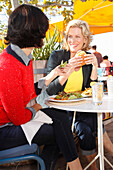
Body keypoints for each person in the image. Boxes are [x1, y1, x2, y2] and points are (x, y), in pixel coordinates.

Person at [0, 5, 83, 170]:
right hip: (4, 130)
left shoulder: (24, 56)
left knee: (60, 118)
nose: (45, 33)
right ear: (34, 31)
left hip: (14, 121)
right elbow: (19, 118)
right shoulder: (7, 65)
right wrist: (37, 107)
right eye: (44, 28)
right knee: (60, 134)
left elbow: (27, 90)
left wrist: (52, 75)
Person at [40, 19, 113, 170]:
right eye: (70, 36)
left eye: (77, 36)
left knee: (86, 126)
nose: (73, 40)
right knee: (88, 125)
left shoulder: (86, 57)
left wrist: (93, 66)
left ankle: (96, 163)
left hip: (79, 109)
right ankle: (99, 161)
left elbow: (90, 90)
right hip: (60, 110)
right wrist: (67, 72)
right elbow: (49, 90)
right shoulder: (58, 56)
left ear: (85, 39)